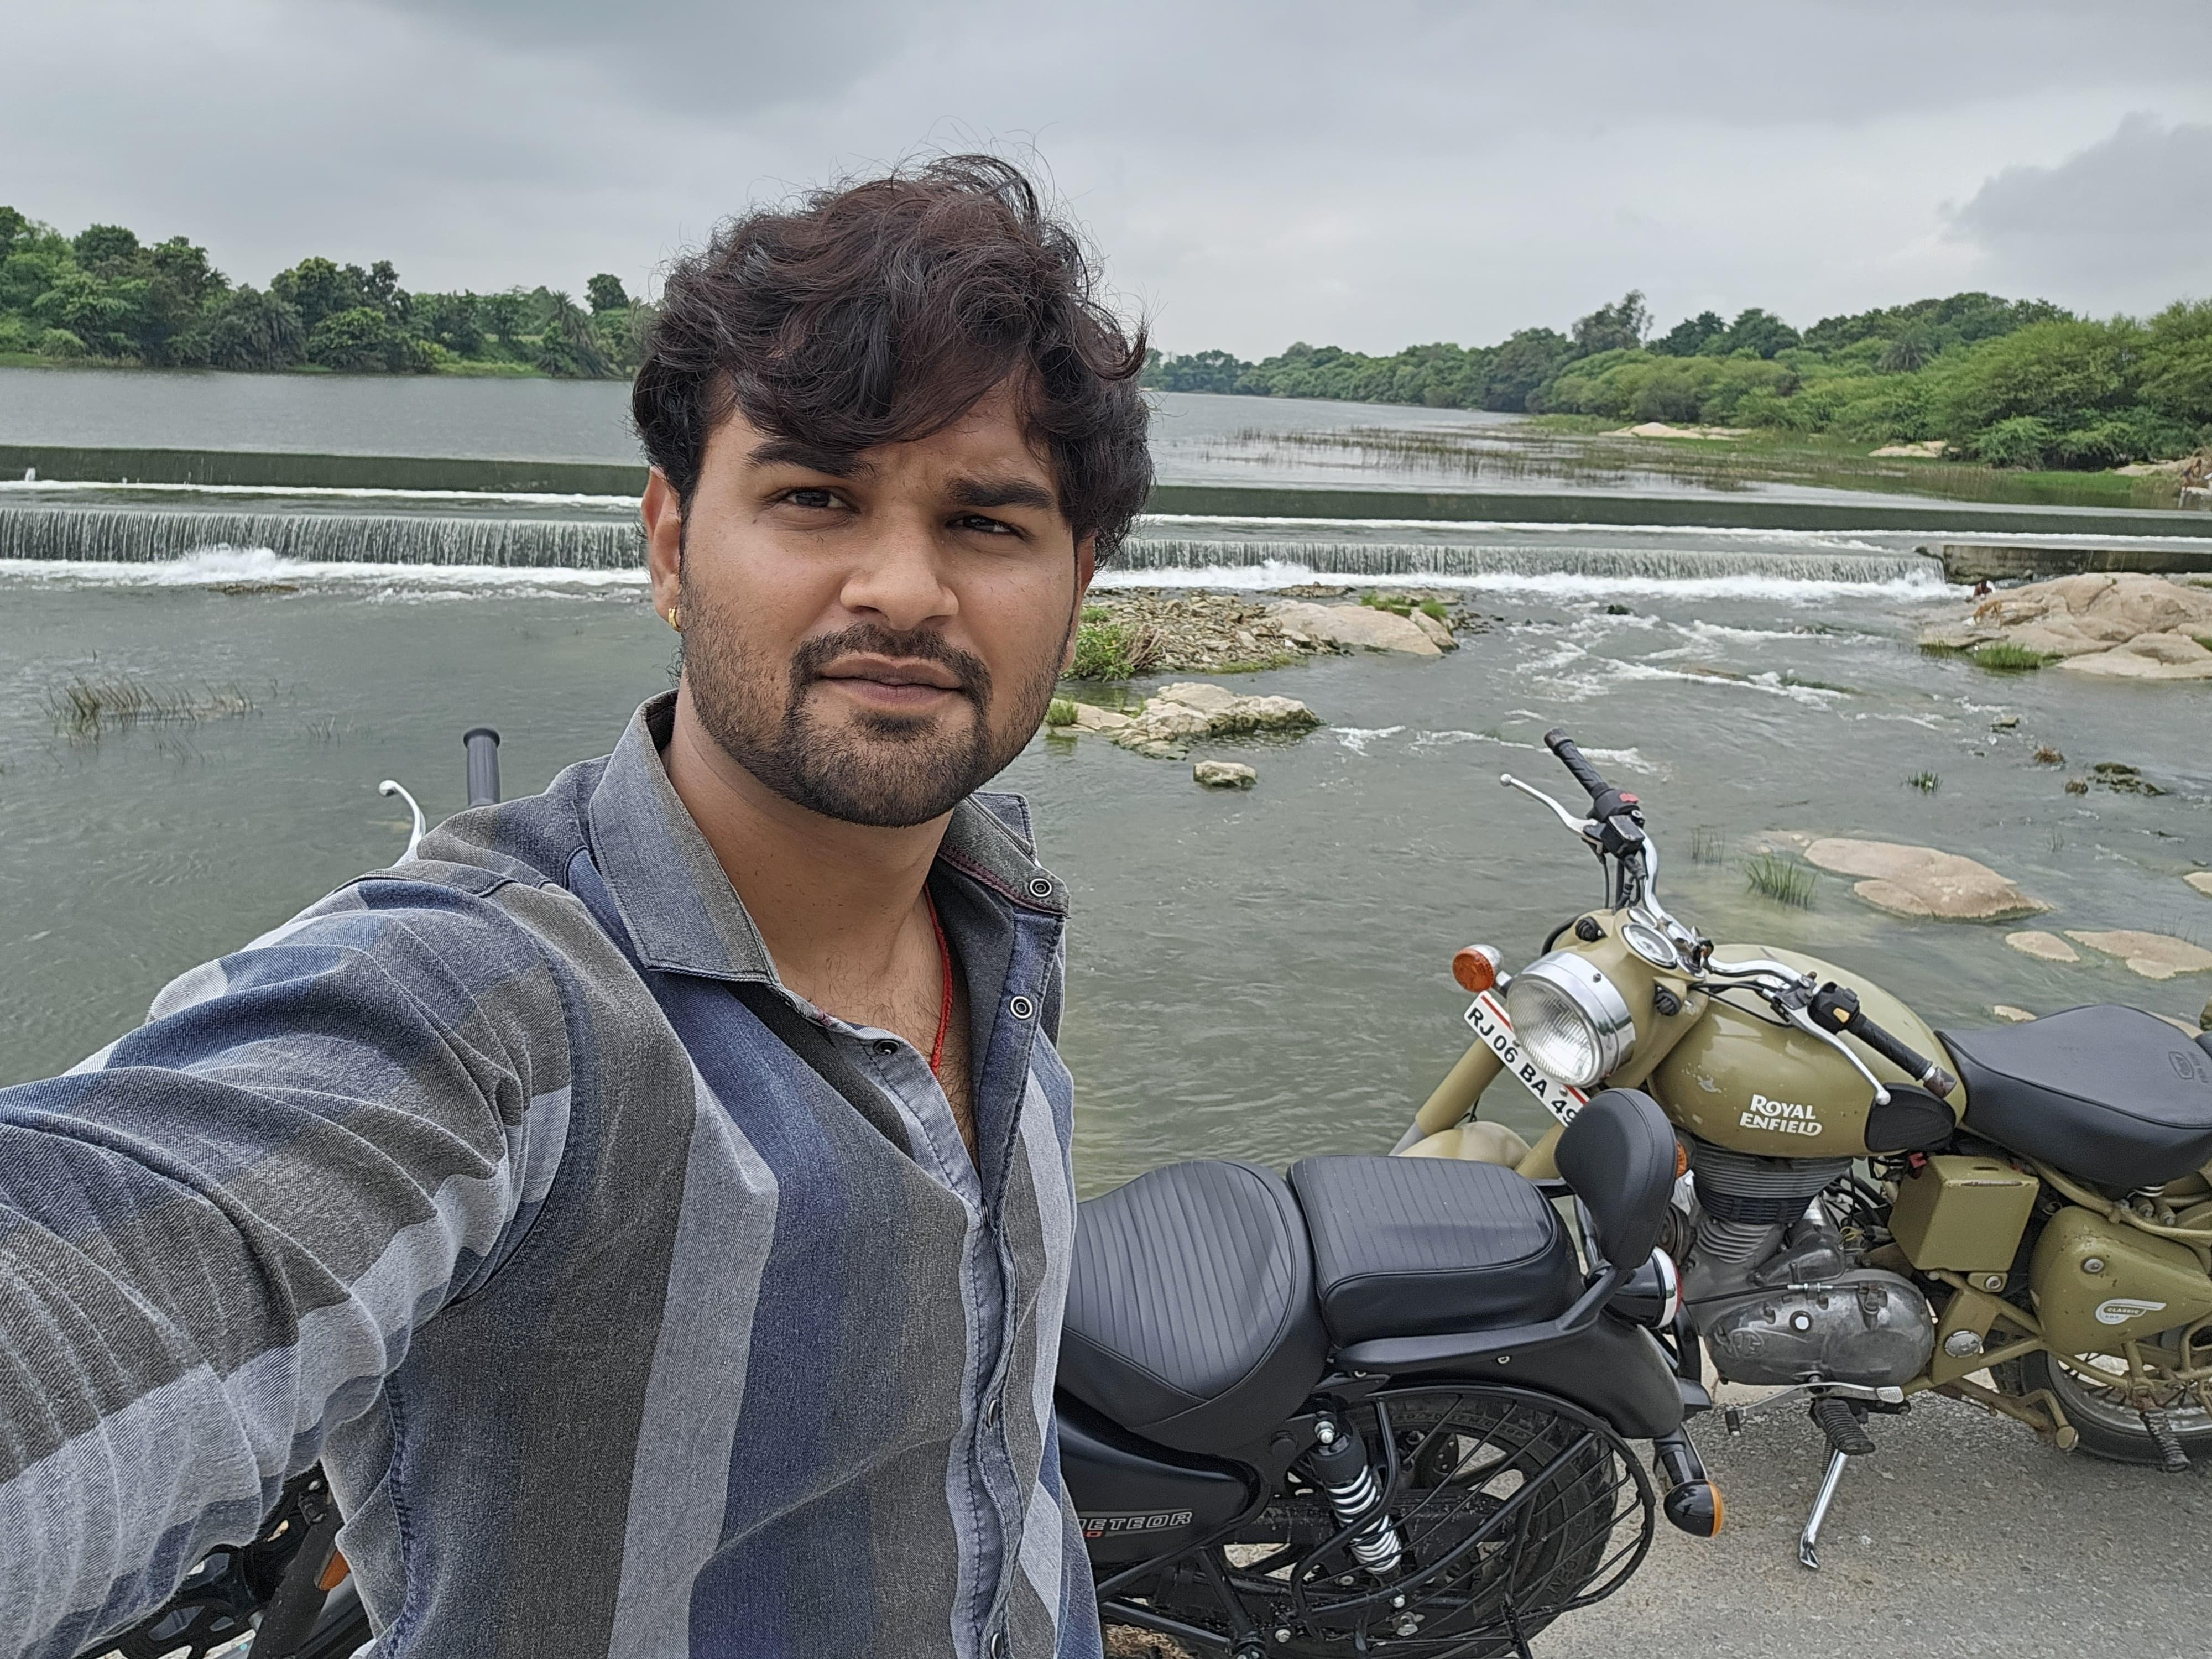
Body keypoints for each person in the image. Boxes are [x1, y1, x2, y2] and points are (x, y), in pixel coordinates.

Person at [0, 155, 1150, 1659]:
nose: (903, 588)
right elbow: (124, 1270)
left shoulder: (998, 913)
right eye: (816, 497)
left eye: (989, 525)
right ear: (672, 545)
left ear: (1080, 579)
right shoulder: (497, 1004)